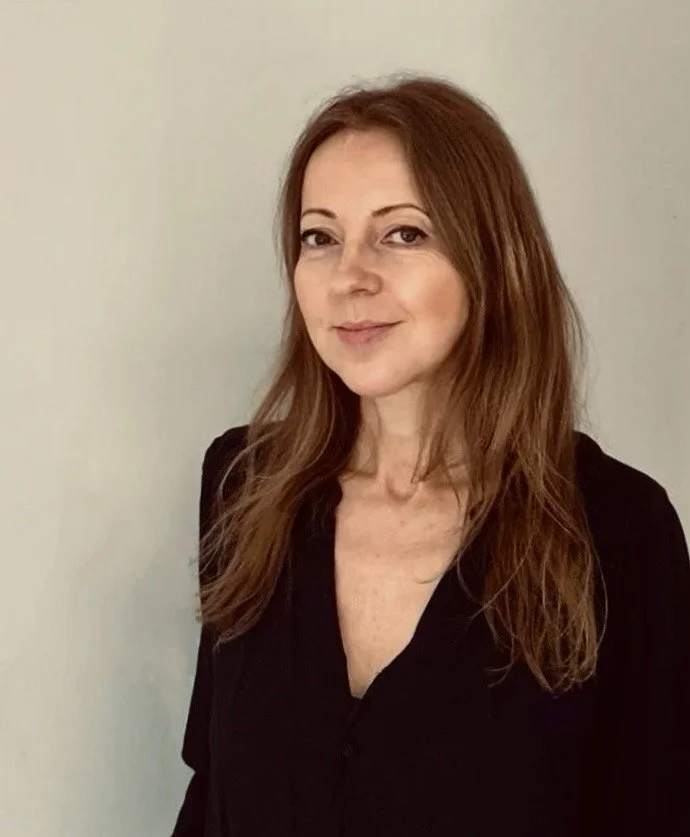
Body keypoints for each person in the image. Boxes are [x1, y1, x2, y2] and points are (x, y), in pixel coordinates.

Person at [170, 74, 690, 836]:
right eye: (320, 237)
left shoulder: (619, 529)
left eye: (403, 234)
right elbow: (212, 795)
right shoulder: (244, 486)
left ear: (494, 260)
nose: (351, 277)